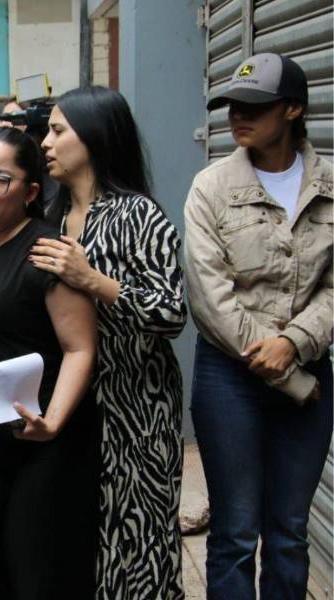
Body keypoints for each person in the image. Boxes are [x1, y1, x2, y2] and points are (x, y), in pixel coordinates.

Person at [184, 53, 332, 599]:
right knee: (235, 532)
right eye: (230, 106)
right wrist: (285, 373)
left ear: (293, 109)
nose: (236, 117)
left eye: (254, 106)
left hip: (310, 366)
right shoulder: (211, 187)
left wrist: (295, 342)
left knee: (290, 533)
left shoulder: (331, 186)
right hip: (230, 377)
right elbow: (208, 293)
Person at [34, 86, 187, 598]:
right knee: (83, 547)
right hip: (74, 408)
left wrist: (93, 279)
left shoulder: (138, 215)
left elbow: (171, 313)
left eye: (58, 131)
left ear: (95, 136)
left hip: (139, 410)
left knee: (140, 546)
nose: (45, 142)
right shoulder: (52, 218)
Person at [0, 127, 99, 599]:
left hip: (42, 439)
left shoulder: (49, 251)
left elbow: (80, 348)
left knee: (38, 572)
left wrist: (51, 423)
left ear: (31, 191)